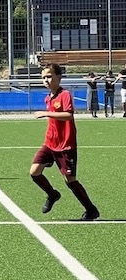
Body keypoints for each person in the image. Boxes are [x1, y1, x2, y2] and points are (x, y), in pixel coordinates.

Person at [30, 63, 100, 221]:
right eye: (43, 77)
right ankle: (52, 194)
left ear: (59, 77)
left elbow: (68, 115)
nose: (46, 80)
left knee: (70, 180)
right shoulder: (49, 97)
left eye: (49, 76)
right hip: (50, 143)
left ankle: (91, 210)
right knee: (34, 172)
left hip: (65, 145)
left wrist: (46, 113)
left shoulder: (65, 94)